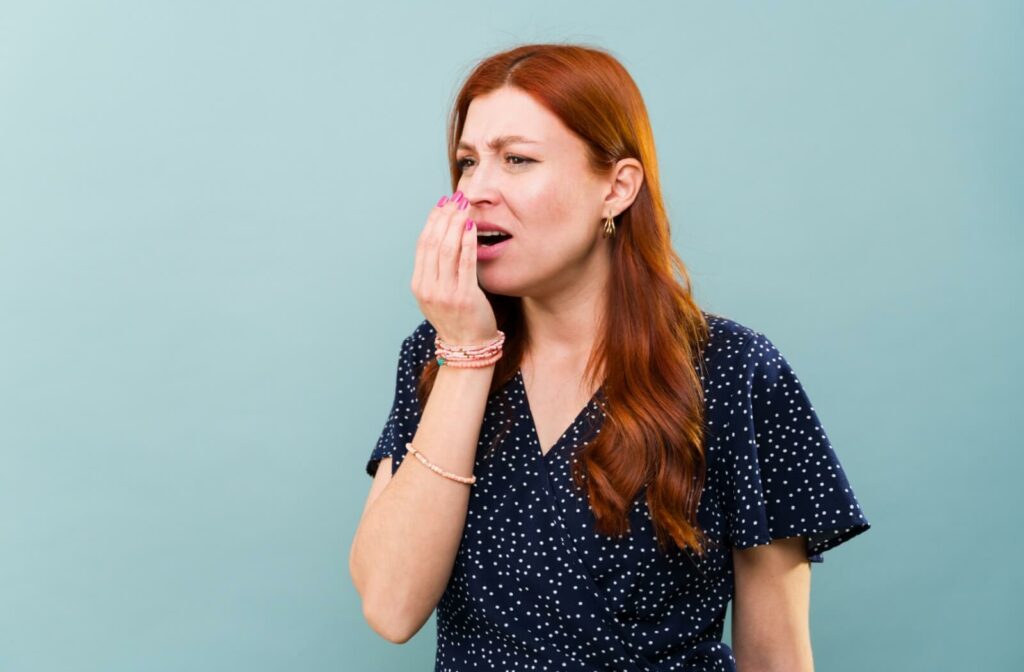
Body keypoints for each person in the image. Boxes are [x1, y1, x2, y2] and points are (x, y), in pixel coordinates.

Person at [349, 43, 870, 672]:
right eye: (467, 161)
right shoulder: (434, 355)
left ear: (617, 188)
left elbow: (776, 655)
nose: (476, 190)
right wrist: (466, 355)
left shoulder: (734, 371)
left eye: (517, 160)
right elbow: (390, 606)